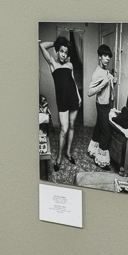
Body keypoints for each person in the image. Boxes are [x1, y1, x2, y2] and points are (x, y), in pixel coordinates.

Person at [39, 36, 80, 170]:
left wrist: (79, 96)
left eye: (66, 52)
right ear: (57, 51)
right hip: (62, 99)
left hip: (73, 97)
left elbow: (73, 81)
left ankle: (68, 152)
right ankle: (58, 158)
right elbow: (41, 46)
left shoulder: (70, 65)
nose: (64, 54)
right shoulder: (52, 64)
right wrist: (57, 43)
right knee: (64, 129)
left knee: (72, 126)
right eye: (61, 51)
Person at [86, 45, 117, 169]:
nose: (108, 59)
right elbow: (89, 92)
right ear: (99, 57)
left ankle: (92, 151)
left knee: (99, 127)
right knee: (106, 133)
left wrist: (112, 82)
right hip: (102, 106)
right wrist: (104, 83)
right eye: (105, 56)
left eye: (109, 56)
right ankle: (101, 160)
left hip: (106, 104)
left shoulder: (106, 71)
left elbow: (107, 86)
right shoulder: (97, 73)